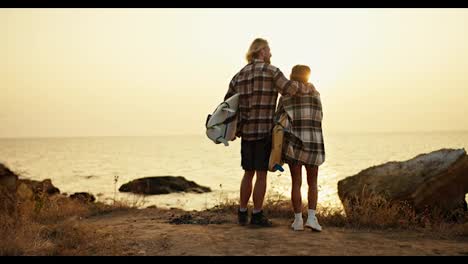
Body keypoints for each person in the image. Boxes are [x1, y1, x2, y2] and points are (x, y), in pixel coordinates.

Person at [224, 38, 316, 227]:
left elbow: (228, 104)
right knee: (261, 174)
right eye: (269, 50)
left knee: (247, 173)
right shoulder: (271, 71)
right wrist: (308, 87)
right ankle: (257, 215)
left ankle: (242, 212)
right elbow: (290, 89)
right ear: (261, 51)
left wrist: (234, 129)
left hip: (246, 132)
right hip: (264, 131)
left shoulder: (238, 75)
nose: (271, 54)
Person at [275, 65, 325, 231]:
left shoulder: (285, 97)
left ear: (292, 76)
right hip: (313, 143)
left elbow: (278, 120)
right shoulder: (315, 95)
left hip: (294, 144)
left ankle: (297, 221)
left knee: (296, 183)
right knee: (313, 183)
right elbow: (319, 117)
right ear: (307, 77)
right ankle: (312, 218)